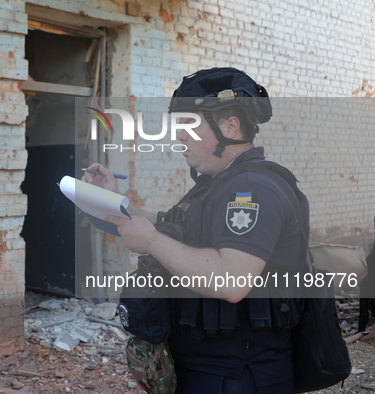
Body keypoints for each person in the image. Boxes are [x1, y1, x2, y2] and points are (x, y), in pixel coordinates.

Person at [82, 67, 307, 394]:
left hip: (238, 377)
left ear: (230, 127)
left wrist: (150, 242)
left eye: (189, 125)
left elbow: (232, 281)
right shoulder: (218, 184)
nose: (180, 136)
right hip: (211, 370)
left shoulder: (252, 189)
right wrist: (116, 202)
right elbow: (173, 229)